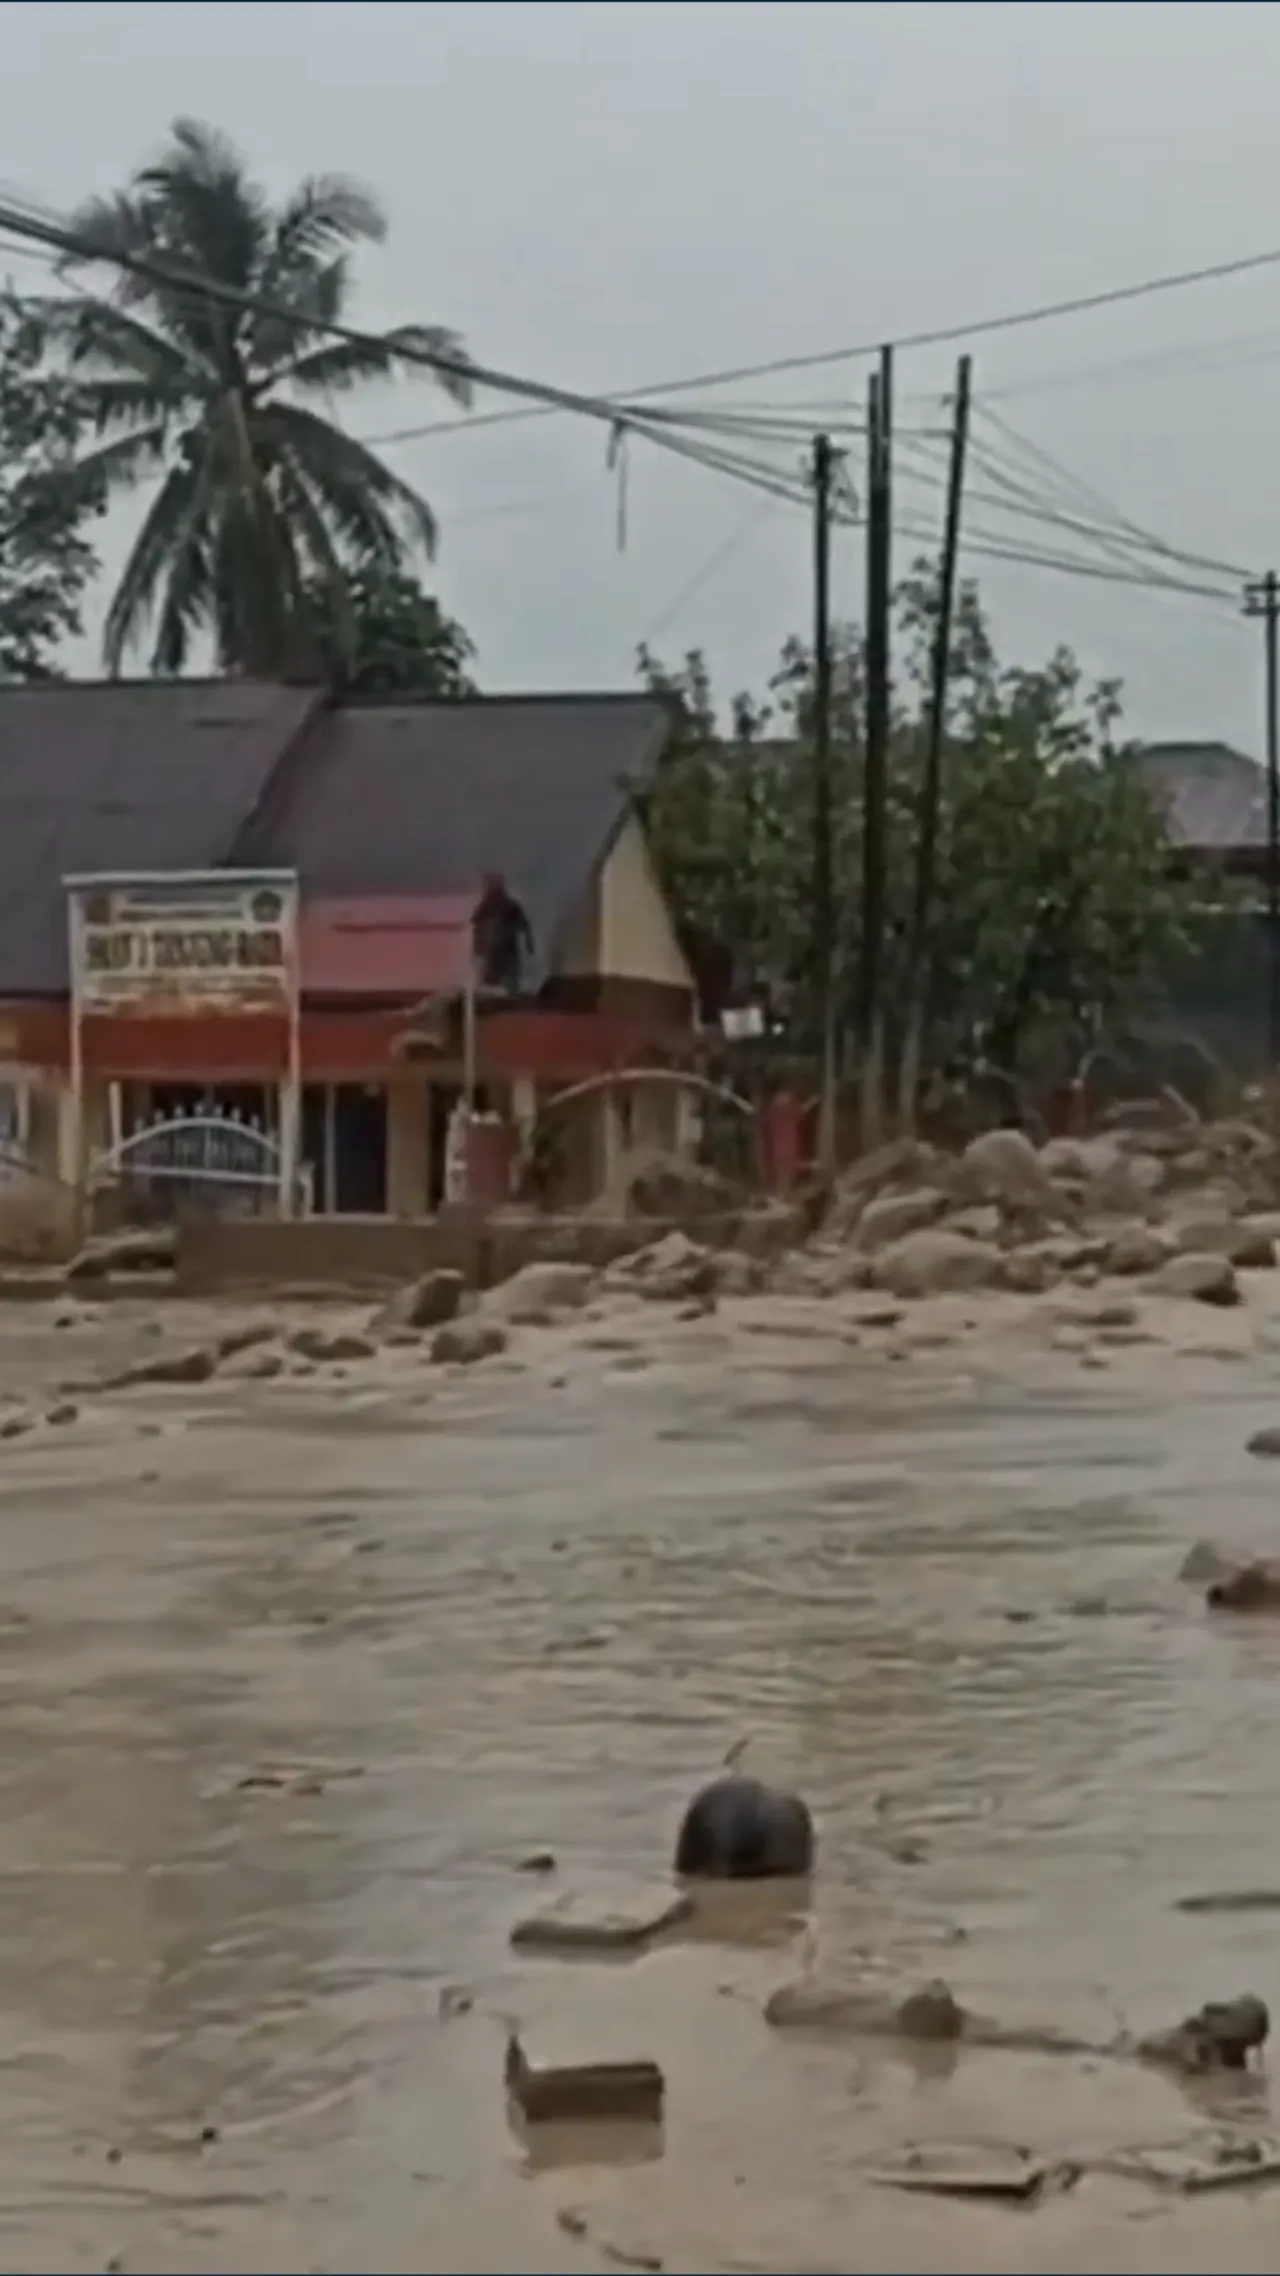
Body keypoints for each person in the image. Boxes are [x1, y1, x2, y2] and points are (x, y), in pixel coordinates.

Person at [471, 872, 533, 993]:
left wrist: (529, 943)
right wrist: (477, 947)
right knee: (490, 983)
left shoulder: (509, 906)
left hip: (507, 951)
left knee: (509, 982)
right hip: (494, 953)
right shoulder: (486, 907)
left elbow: (524, 925)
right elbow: (477, 927)